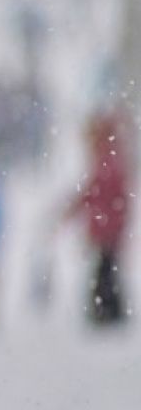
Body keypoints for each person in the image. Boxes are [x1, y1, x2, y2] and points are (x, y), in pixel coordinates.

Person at [60, 105, 131, 326]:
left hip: (107, 230)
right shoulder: (110, 159)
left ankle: (106, 314)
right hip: (108, 229)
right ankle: (108, 312)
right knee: (106, 270)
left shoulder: (106, 162)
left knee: (104, 272)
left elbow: (95, 194)